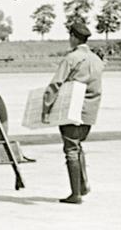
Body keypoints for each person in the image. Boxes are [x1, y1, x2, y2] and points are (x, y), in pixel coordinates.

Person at [42, 21, 104, 204]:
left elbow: (55, 84)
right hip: (90, 111)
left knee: (70, 149)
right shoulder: (97, 60)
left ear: (73, 37)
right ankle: (82, 185)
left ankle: (75, 194)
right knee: (78, 146)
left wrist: (46, 108)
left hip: (72, 109)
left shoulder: (71, 58)